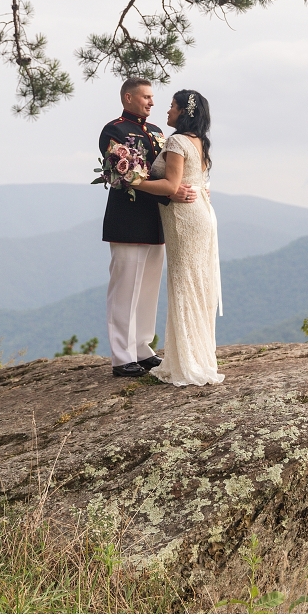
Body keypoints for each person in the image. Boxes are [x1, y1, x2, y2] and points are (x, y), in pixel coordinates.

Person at [100, 78, 197, 378]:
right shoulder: (113, 130)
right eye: (146, 97)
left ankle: (142, 348)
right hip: (127, 220)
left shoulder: (156, 132)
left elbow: (166, 171)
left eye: (153, 97)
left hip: (156, 219)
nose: (152, 102)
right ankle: (122, 356)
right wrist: (170, 190)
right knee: (125, 287)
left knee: (148, 288)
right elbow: (127, 177)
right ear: (128, 97)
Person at [132, 89, 224, 387]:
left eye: (171, 106)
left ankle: (188, 362)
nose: (167, 111)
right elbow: (196, 181)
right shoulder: (199, 142)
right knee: (198, 283)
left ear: (184, 112)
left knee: (184, 283)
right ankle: (198, 356)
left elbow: (172, 185)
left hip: (185, 218)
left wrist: (135, 181)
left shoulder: (176, 141)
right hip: (202, 214)